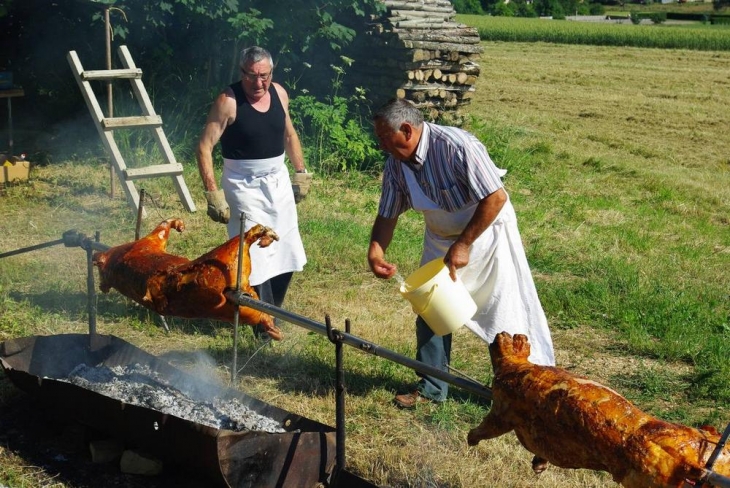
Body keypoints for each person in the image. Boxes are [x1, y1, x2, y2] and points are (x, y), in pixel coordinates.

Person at [367, 98, 555, 408]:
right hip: (441, 239)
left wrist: (464, 243)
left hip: (487, 235)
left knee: (503, 313)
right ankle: (431, 388)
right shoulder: (396, 164)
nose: (380, 144)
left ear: (406, 130)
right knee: (429, 308)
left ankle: (528, 391)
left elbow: (495, 198)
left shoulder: (457, 146)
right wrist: (376, 250)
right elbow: (388, 213)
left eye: (384, 137)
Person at [196, 46, 311, 336]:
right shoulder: (228, 101)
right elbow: (204, 147)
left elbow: (289, 134)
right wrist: (213, 193)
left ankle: (274, 312)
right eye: (252, 76)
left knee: (286, 249)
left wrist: (300, 172)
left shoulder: (280, 94)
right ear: (241, 73)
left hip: (277, 180)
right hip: (242, 183)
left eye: (264, 76)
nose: (259, 83)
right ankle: (261, 321)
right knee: (255, 253)